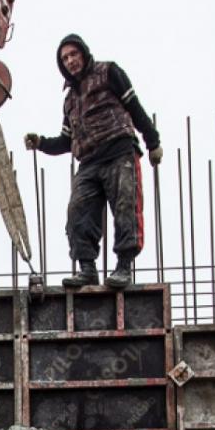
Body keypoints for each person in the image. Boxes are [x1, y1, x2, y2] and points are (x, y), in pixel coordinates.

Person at [24, 34, 162, 290]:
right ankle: (87, 269)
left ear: (84, 53)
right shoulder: (69, 100)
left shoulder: (108, 72)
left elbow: (135, 108)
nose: (70, 61)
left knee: (126, 208)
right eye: (65, 58)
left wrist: (152, 142)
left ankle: (123, 267)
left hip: (119, 151)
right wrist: (40, 142)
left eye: (73, 54)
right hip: (88, 161)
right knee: (78, 212)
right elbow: (66, 141)